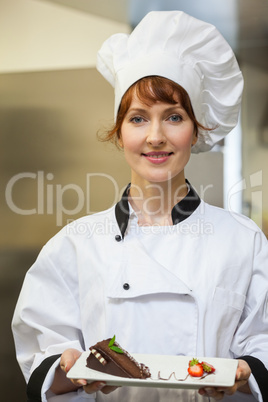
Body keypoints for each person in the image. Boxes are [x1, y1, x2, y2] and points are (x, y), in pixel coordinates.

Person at [12, 10, 268, 402]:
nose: (155, 136)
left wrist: (247, 372)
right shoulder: (77, 243)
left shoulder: (243, 241)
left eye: (174, 117)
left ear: (197, 130)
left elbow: (262, 341)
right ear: (118, 134)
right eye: (137, 118)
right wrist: (69, 368)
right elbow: (42, 351)